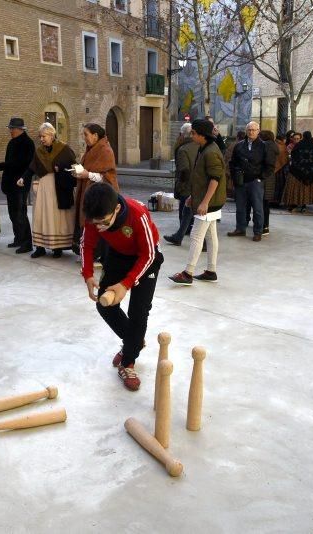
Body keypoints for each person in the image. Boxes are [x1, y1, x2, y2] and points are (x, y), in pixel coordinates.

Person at [81, 182, 163, 391]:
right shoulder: (95, 215)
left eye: (103, 222)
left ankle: (128, 362)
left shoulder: (137, 214)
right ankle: (134, 342)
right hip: (117, 255)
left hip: (146, 259)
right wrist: (88, 275)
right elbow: (87, 245)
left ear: (116, 209)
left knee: (139, 312)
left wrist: (126, 284)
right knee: (104, 304)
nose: (98, 227)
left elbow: (149, 254)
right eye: (94, 223)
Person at [168, 119, 226, 285]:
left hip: (210, 202)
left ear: (203, 135)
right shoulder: (205, 148)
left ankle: (188, 273)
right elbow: (203, 178)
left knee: (195, 235)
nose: (191, 135)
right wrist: (194, 197)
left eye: (194, 132)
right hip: (208, 200)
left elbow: (215, 179)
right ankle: (211, 270)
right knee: (210, 235)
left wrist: (204, 202)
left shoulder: (210, 152)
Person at [22, 122, 77, 259]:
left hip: (60, 187)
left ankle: (57, 248)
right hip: (44, 187)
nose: (41, 139)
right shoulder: (39, 151)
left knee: (58, 217)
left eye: (44, 136)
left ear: (52, 135)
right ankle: (40, 247)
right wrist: (23, 178)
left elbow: (74, 166)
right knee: (40, 216)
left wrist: (61, 167)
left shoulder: (64, 149)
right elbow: (31, 168)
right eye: (40, 136)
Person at [72, 123, 118, 256]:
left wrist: (88, 175)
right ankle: (89, 252)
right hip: (89, 193)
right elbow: (88, 169)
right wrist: (78, 173)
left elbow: (108, 177)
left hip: (101, 196)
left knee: (98, 223)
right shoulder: (90, 149)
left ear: (95, 135)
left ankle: (99, 254)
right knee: (88, 223)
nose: (84, 138)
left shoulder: (106, 150)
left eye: (86, 135)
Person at [0, 117, 35, 254]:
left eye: (12, 128)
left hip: (20, 184)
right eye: (10, 128)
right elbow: (11, 163)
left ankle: (27, 243)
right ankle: (18, 238)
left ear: (20, 129)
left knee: (20, 213)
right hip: (11, 184)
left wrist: (0, 166)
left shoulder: (27, 143)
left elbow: (22, 164)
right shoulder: (12, 143)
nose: (10, 131)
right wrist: (1, 166)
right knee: (13, 213)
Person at [227, 121, 274, 242]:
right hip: (241, 181)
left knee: (258, 208)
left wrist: (260, 178)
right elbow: (233, 162)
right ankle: (240, 228)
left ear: (258, 131)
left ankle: (258, 231)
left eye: (254, 130)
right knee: (240, 207)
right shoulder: (239, 145)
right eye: (249, 130)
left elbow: (270, 165)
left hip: (255, 181)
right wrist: (234, 176)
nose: (251, 132)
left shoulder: (264, 146)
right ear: (246, 131)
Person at [164, 123, 198, 246]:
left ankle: (182, 236)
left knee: (186, 211)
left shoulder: (183, 149)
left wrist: (181, 186)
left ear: (182, 134)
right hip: (197, 185)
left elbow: (184, 170)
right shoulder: (199, 146)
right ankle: (180, 236)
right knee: (189, 212)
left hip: (187, 186)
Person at [281, 131, 313, 212]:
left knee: (296, 188)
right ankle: (304, 205)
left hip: (296, 172)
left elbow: (293, 155)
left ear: (303, 137)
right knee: (306, 189)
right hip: (310, 172)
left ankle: (294, 204)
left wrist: (299, 167)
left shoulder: (298, 145)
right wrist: (310, 168)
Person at [259, 130, 279, 236]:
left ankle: (264, 226)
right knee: (264, 203)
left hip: (265, 178)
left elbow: (268, 163)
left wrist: (261, 175)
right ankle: (264, 225)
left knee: (263, 204)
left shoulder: (267, 145)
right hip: (269, 177)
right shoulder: (273, 145)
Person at [272, 133, 289, 207]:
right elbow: (285, 158)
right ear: (283, 139)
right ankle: (276, 201)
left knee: (272, 186)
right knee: (279, 186)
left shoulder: (273, 144)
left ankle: (271, 201)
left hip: (272, 169)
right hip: (280, 170)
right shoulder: (282, 146)